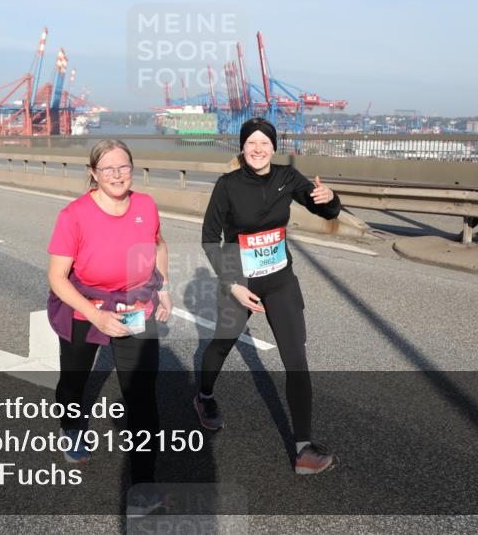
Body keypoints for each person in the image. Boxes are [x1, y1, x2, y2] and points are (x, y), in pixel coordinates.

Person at [196, 117, 341, 475]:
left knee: (296, 358)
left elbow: (320, 205)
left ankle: (303, 447)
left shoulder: (286, 177)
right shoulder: (227, 185)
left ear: (273, 148)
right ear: (242, 148)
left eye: (265, 143)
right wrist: (232, 283)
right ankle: (204, 396)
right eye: (251, 143)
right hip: (239, 281)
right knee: (220, 344)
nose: (258, 149)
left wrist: (331, 200)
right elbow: (209, 238)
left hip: (279, 280)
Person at [46, 139, 172, 483]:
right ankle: (72, 426)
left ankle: (144, 482)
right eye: (108, 169)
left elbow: (159, 245)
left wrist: (164, 288)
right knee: (73, 383)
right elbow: (57, 278)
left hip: (135, 306)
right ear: (93, 173)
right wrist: (97, 316)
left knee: (142, 395)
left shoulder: (146, 204)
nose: (117, 175)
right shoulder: (73, 215)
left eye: (124, 167)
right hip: (87, 306)